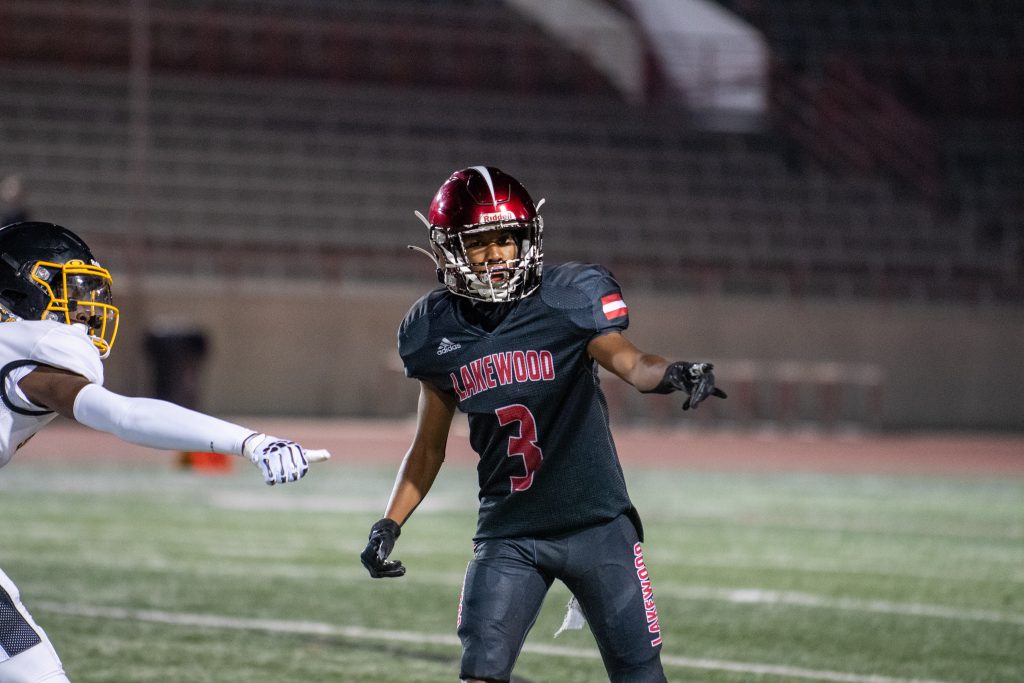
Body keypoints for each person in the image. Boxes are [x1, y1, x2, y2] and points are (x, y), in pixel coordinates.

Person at [360, 167, 726, 682]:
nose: (495, 255)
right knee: (480, 673)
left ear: (527, 239)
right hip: (509, 533)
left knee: (639, 674)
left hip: (597, 525)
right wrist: (389, 523)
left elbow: (631, 362)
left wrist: (675, 373)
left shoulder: (566, 299)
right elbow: (427, 449)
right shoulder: (434, 330)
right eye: (478, 243)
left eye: (506, 239)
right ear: (448, 251)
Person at [0, 221, 330, 683]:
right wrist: (250, 441)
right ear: (16, 294)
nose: (87, 310)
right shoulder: (25, 359)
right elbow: (124, 415)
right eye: (69, 293)